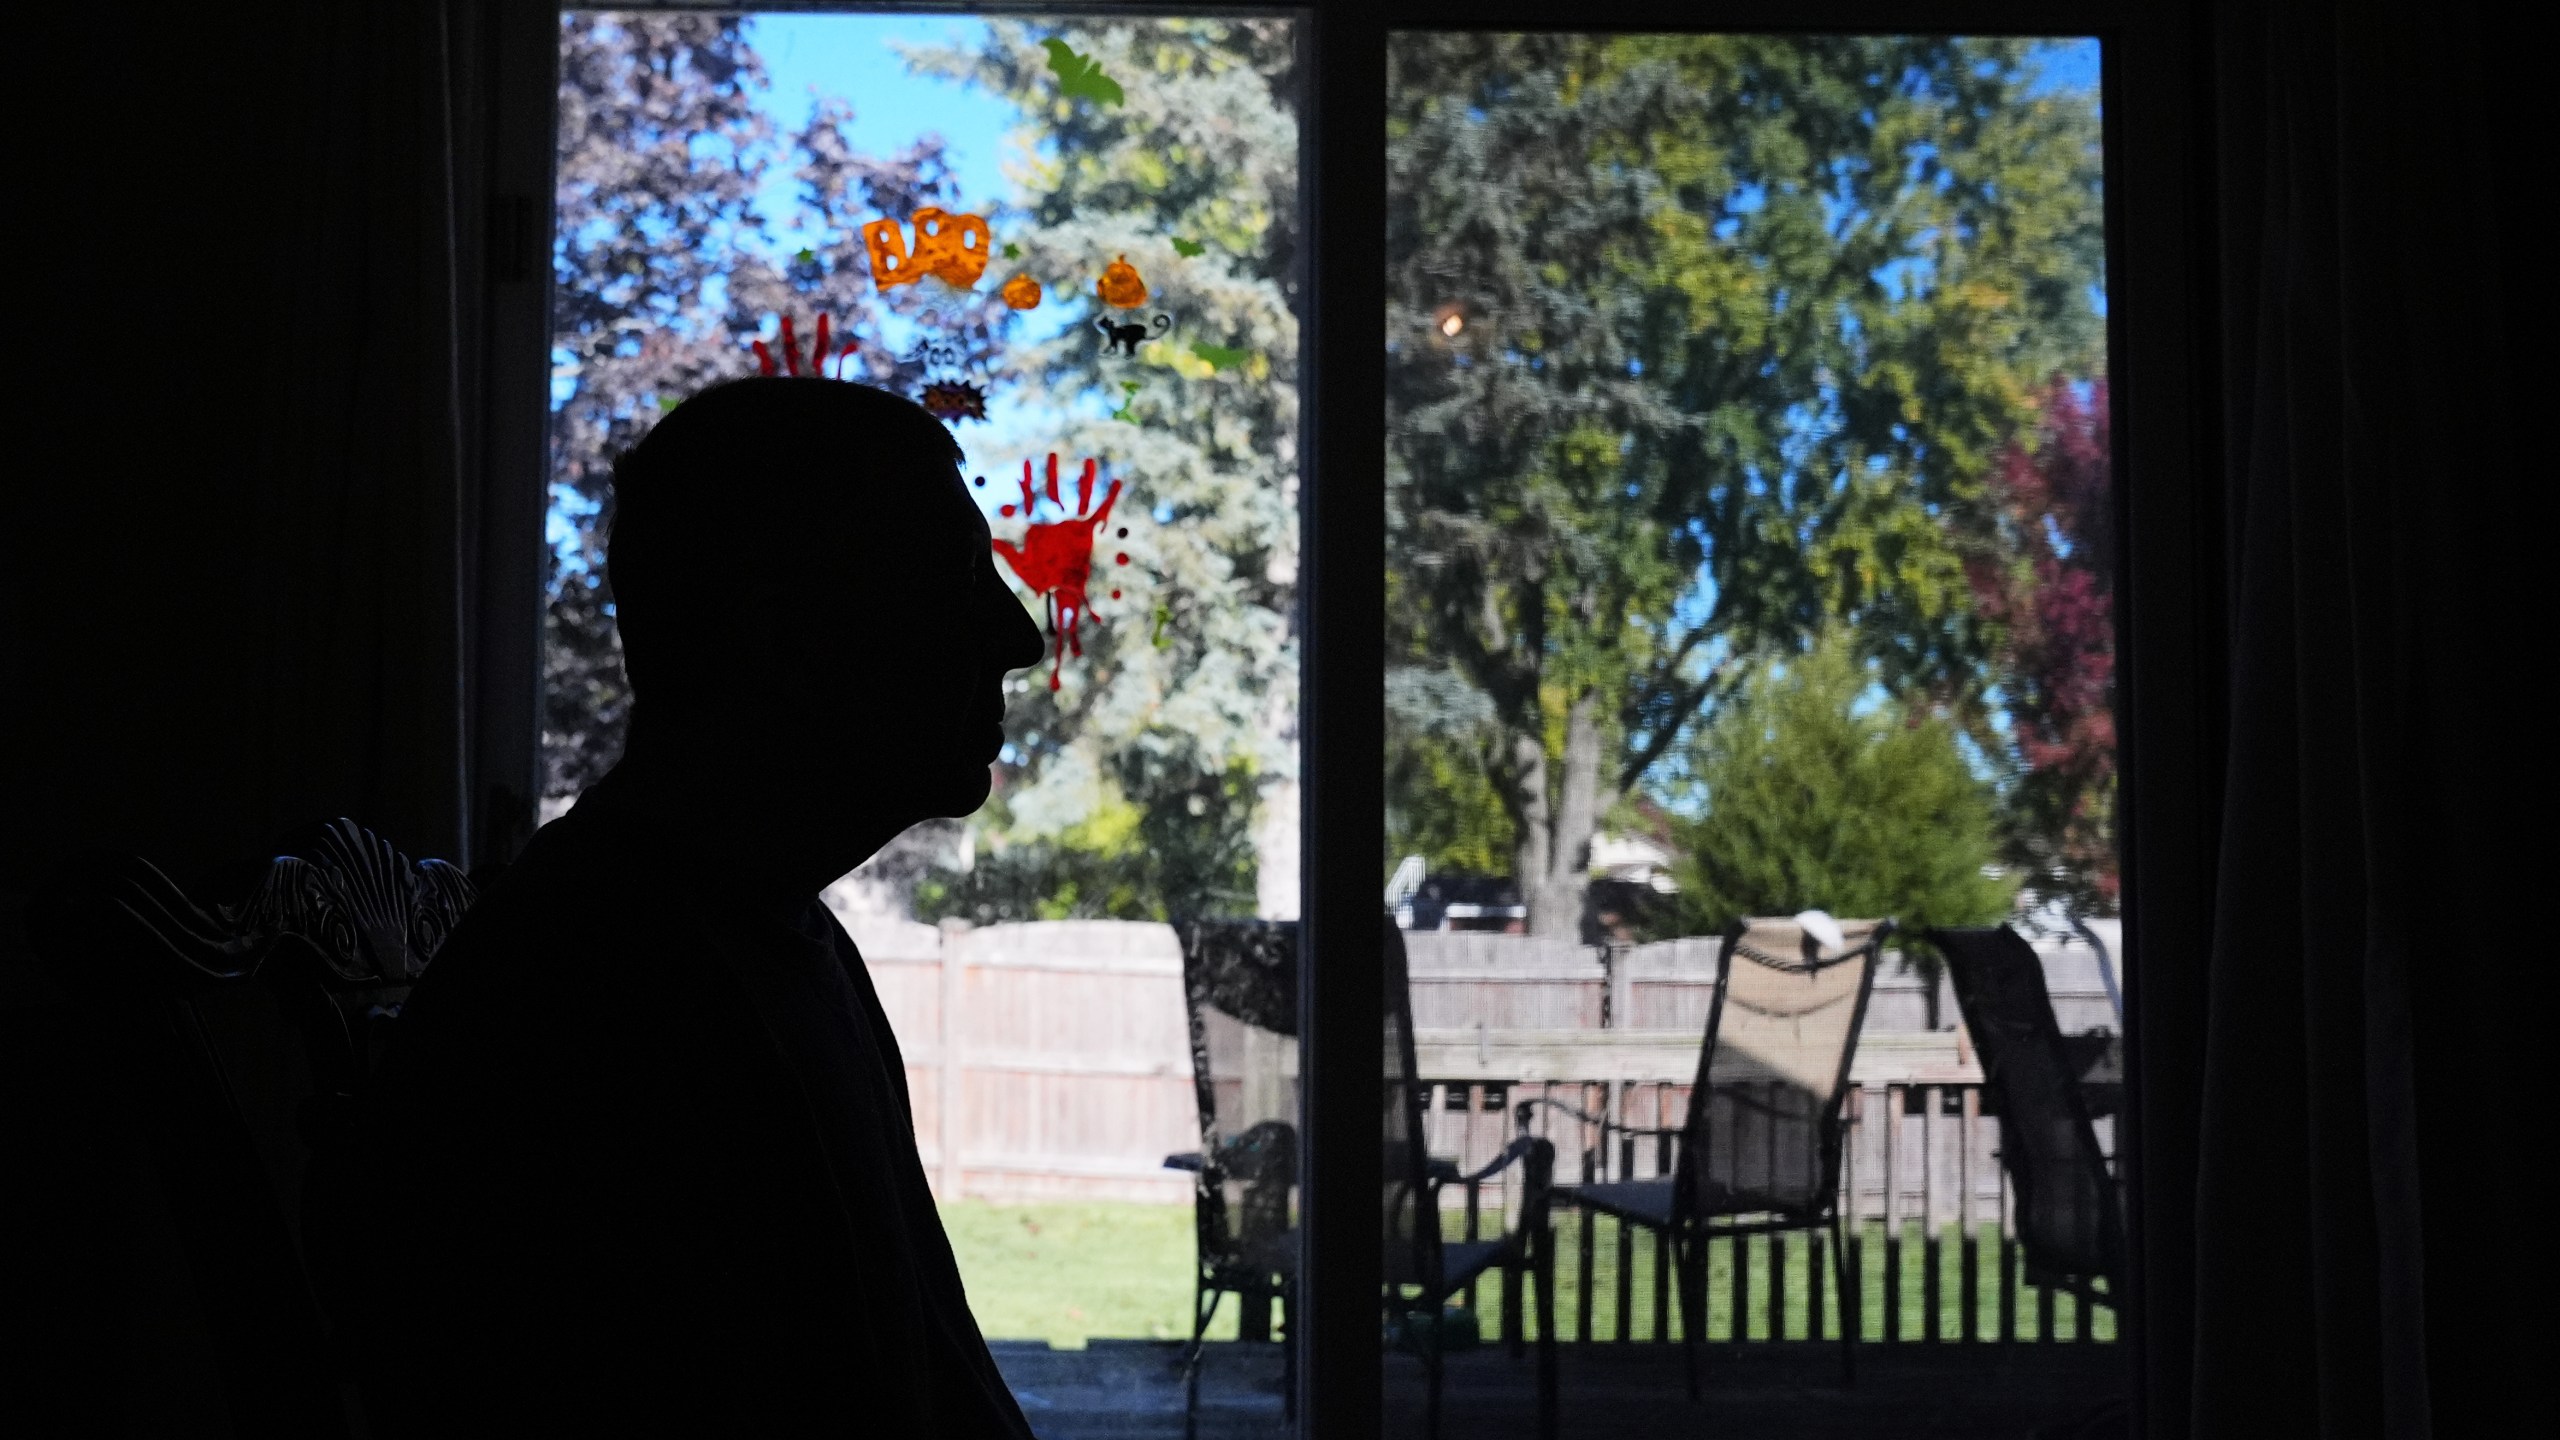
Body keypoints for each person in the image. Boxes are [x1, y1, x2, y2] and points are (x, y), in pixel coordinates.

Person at [330, 378, 1046, 1435]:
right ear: (789, 636)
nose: (1019, 635)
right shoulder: (615, 1005)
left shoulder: (757, 938)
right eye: (949, 579)